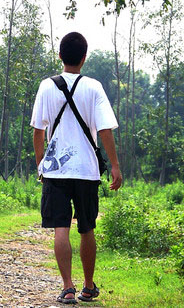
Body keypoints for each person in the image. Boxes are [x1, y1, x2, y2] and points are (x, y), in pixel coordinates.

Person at [31, 32, 122, 304]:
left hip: (56, 171)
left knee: (61, 228)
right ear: (84, 58)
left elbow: (38, 131)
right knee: (87, 228)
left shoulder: (46, 86)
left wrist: (41, 165)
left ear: (59, 55)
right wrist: (115, 166)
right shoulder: (94, 87)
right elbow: (105, 129)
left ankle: (67, 287)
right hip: (86, 170)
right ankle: (88, 286)